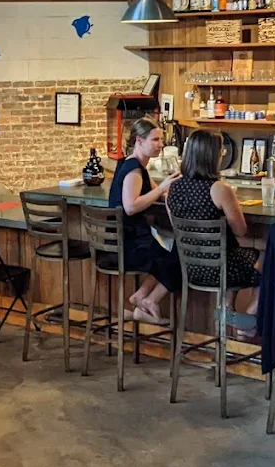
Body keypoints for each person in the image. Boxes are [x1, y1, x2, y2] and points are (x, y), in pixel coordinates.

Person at [166, 129, 260, 325]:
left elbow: (176, 226)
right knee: (266, 258)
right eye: (221, 151)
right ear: (212, 156)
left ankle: (227, 308)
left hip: (188, 267)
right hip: (222, 268)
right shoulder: (219, 189)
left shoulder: (173, 188)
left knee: (233, 252)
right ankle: (252, 315)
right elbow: (241, 231)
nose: (222, 154)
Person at [108, 117, 182, 323]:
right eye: (155, 140)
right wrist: (162, 187)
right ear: (139, 141)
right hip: (129, 246)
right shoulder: (133, 170)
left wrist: (167, 190)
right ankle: (147, 300)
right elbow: (130, 207)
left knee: (171, 252)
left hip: (121, 241)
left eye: (161, 140)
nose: (161, 144)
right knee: (180, 258)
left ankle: (142, 298)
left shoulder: (133, 164)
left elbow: (156, 192)